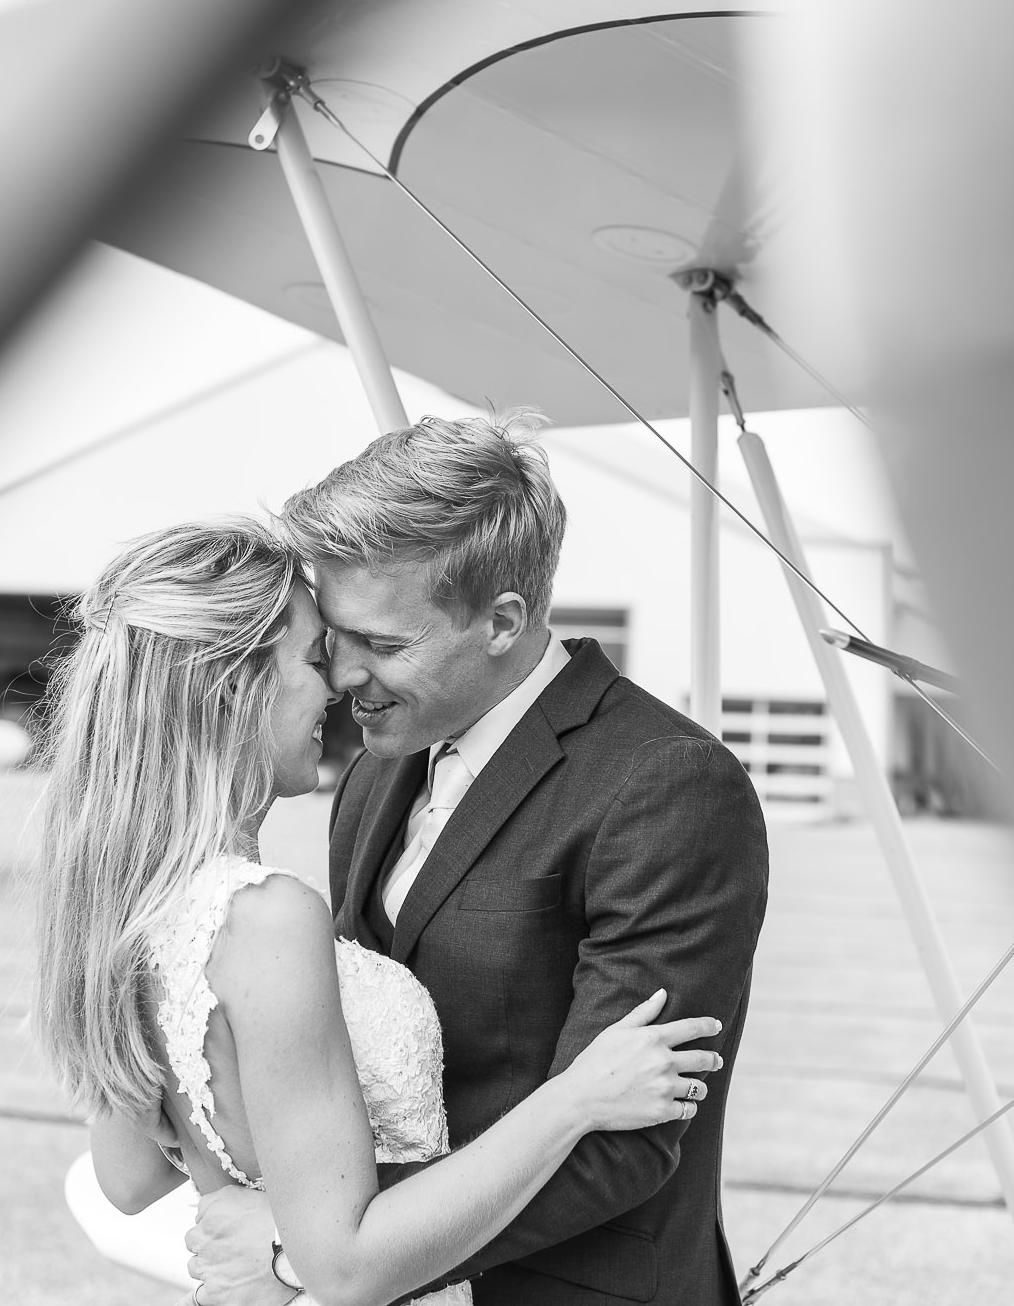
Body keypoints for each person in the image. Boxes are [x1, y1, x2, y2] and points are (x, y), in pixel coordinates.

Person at [32, 519, 725, 1306]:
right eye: (314, 655)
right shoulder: (269, 917)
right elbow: (346, 1260)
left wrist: (279, 1214)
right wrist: (572, 1101)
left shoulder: (134, 905)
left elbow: (126, 1176)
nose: (336, 682)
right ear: (234, 689)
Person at [188, 414, 770, 1306]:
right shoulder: (377, 775)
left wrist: (317, 1244)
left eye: (383, 644)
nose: (343, 675)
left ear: (501, 621)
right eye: (334, 637)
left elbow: (628, 1140)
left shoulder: (669, 784)